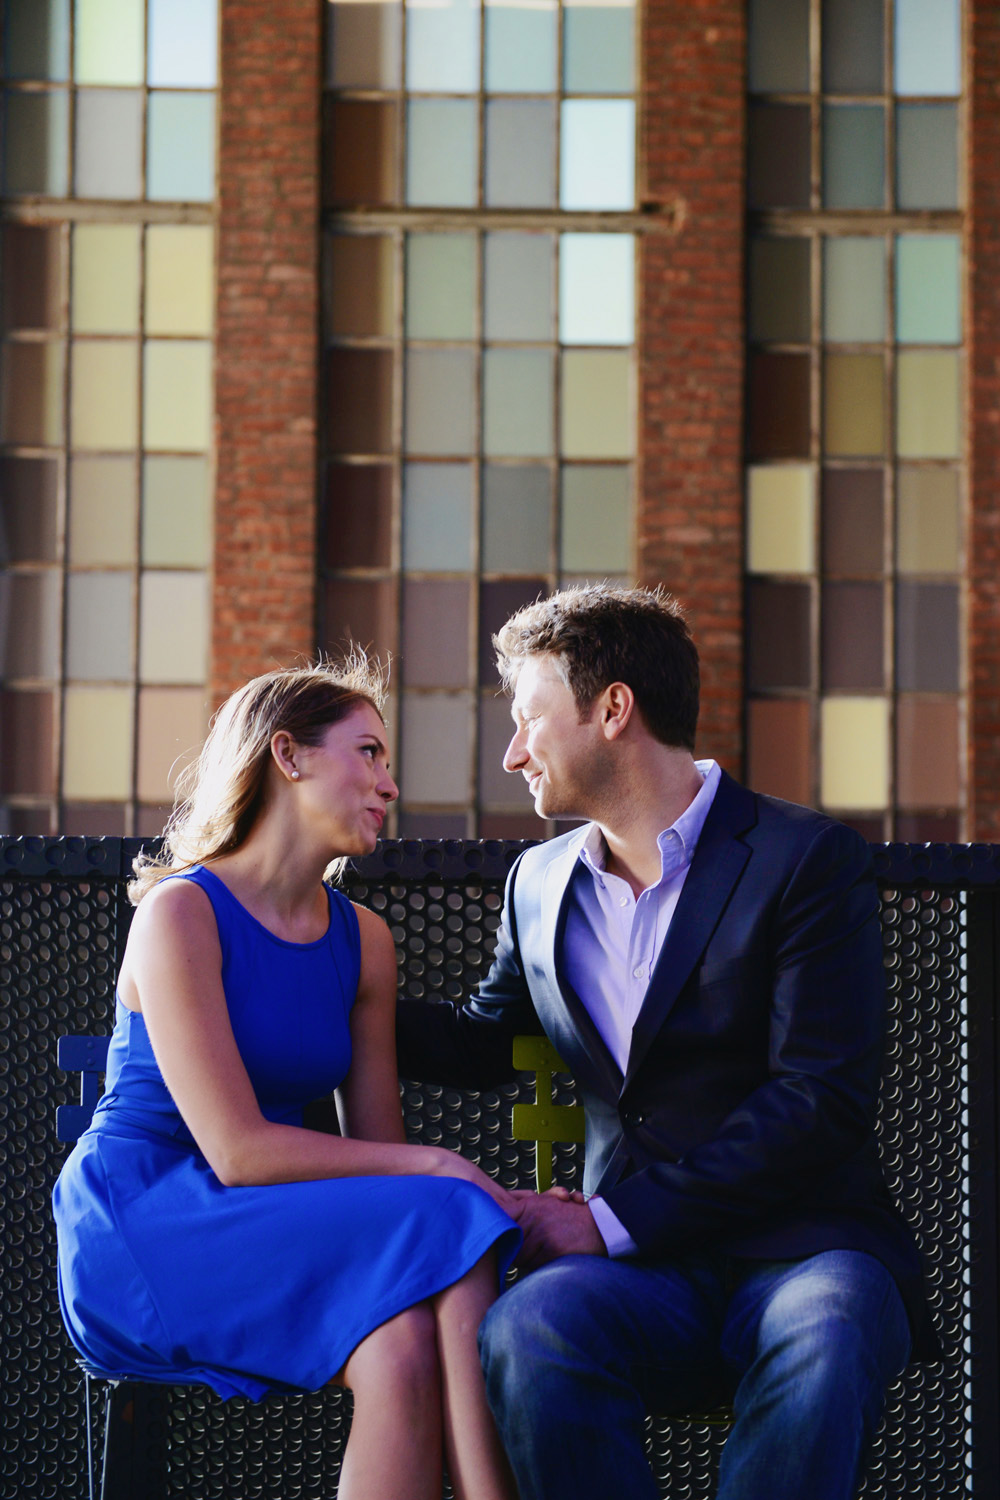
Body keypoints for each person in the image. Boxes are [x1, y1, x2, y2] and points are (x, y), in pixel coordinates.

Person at [397, 583, 936, 1500]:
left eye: (530, 718)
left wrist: (603, 1223)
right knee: (530, 1329)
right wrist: (314, 976)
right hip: (645, 1279)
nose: (513, 750)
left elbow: (818, 1102)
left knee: (829, 1328)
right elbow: (479, 1041)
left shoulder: (804, 860)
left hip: (803, 1251)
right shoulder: (538, 883)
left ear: (613, 710)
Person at [53, 659, 521, 1500]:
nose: (389, 782)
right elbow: (237, 1150)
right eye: (369, 753)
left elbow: (377, 1150)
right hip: (149, 1217)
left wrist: (446, 1181)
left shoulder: (363, 940)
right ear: (289, 756)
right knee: (450, 1205)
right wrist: (452, 1171)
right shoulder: (181, 912)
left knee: (405, 1343)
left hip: (270, 1211)